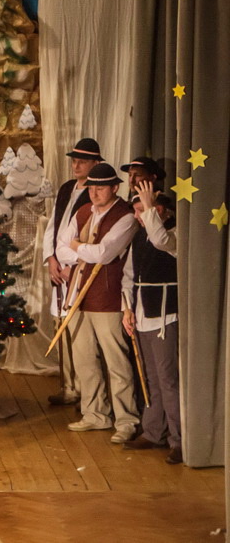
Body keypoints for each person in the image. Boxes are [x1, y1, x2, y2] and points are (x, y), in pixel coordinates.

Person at [55, 163, 139, 443]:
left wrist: (78, 247)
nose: (94, 192)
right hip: (78, 297)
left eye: (100, 187)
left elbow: (105, 253)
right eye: (91, 187)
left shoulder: (125, 216)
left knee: (116, 363)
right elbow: (61, 249)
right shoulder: (82, 212)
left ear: (114, 187)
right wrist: (81, 250)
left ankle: (126, 419)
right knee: (84, 361)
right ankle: (95, 414)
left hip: (107, 299)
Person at [121, 183, 182, 464]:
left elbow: (162, 242)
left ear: (158, 210)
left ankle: (179, 440)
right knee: (151, 379)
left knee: (168, 380)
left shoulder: (174, 233)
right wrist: (127, 309)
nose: (138, 216)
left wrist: (148, 209)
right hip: (143, 314)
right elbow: (128, 275)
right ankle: (153, 431)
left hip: (164, 316)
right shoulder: (140, 236)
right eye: (137, 210)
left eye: (141, 210)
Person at [42, 137, 101, 406]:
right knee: (62, 328)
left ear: (95, 164)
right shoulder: (67, 188)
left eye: (82, 162)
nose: (76, 166)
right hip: (60, 267)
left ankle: (84, 389)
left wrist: (72, 265)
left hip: (77, 269)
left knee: (78, 330)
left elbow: (92, 236)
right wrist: (51, 258)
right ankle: (68, 386)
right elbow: (54, 226)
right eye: (74, 161)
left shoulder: (96, 192)